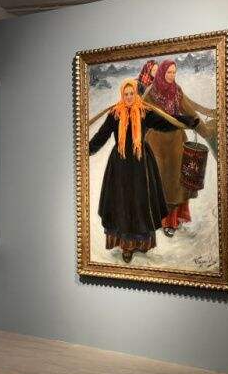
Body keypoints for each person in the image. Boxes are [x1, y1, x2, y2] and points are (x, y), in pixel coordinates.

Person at [89, 79, 197, 262]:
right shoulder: (115, 114)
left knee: (140, 202)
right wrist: (87, 149)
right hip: (120, 166)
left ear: (136, 94)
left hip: (142, 165)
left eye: (132, 93)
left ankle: (142, 243)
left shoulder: (144, 112)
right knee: (123, 203)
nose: (129, 97)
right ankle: (126, 246)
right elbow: (102, 135)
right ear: (122, 95)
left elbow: (165, 122)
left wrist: (185, 121)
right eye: (126, 94)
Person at [144, 59, 216, 237]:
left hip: (176, 144)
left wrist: (205, 131)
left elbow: (190, 111)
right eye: (169, 72)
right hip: (157, 144)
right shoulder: (151, 93)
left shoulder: (176, 91)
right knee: (161, 182)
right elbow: (143, 116)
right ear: (162, 73)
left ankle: (172, 221)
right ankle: (159, 220)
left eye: (174, 72)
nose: (172, 75)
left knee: (176, 182)